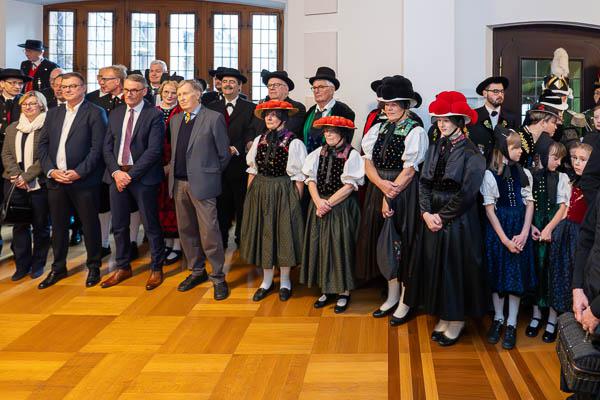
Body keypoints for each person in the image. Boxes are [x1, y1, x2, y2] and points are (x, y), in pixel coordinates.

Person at [404, 91, 487, 346]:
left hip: (458, 218)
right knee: (435, 265)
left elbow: (467, 193)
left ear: (460, 121)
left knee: (454, 268)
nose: (442, 124)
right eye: (439, 120)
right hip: (433, 215)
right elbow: (424, 182)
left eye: (447, 120)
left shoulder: (474, 153)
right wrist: (426, 213)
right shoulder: (436, 145)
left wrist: (441, 215)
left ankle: (457, 318)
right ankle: (444, 314)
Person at [357, 75, 428, 327]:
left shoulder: (416, 131)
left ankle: (406, 301)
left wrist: (391, 193)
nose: (389, 108)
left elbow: (410, 170)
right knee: (383, 242)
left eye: (394, 104)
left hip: (404, 193)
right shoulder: (378, 127)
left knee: (403, 243)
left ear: (406, 105)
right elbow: (367, 162)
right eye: (386, 104)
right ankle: (392, 295)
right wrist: (379, 185)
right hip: (381, 187)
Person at [37, 72, 107, 289]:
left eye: (72, 86)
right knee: (58, 227)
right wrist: (51, 171)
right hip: (56, 180)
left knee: (89, 225)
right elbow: (43, 146)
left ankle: (94, 266)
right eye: (64, 86)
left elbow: (98, 149)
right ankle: (58, 268)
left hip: (83, 181)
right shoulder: (53, 114)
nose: (67, 90)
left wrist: (79, 172)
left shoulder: (96, 113)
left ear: (83, 88)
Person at [100, 74, 166, 290]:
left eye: (135, 90)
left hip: (143, 178)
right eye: (127, 90)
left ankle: (156, 267)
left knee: (150, 224)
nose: (129, 94)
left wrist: (130, 175)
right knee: (119, 225)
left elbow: (154, 151)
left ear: (144, 91)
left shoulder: (154, 115)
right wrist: (117, 173)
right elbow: (107, 147)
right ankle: (122, 267)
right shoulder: (116, 113)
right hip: (117, 176)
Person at [168, 79, 231, 300]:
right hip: (179, 184)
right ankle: (196, 271)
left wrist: (208, 174)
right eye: (179, 94)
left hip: (203, 185)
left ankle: (218, 276)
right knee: (186, 232)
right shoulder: (175, 121)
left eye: (185, 93)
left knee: (209, 233)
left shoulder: (213, 118)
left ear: (198, 94)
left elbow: (223, 155)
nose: (181, 98)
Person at [241, 100, 307, 302]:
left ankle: (285, 281)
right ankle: (266, 281)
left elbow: (298, 177)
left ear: (283, 118)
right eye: (267, 115)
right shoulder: (260, 139)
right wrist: (250, 196)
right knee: (264, 234)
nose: (269, 118)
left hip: (283, 191)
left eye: (274, 114)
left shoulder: (294, 142)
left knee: (283, 234)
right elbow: (252, 170)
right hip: (260, 191)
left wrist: (295, 201)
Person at [300, 115, 364, 313]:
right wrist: (318, 202)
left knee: (340, 247)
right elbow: (310, 179)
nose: (328, 134)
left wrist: (327, 204)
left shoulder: (352, 155)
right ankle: (327, 289)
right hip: (319, 205)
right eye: (326, 130)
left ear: (343, 134)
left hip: (341, 208)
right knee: (321, 246)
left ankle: (343, 292)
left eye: (333, 131)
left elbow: (350, 185)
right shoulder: (318, 152)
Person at [481, 127, 535, 350]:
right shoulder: (490, 174)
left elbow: (529, 203)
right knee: (498, 276)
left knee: (515, 277)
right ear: (503, 148)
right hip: (499, 231)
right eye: (515, 147)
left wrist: (524, 232)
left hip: (518, 228)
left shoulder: (524, 173)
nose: (520, 150)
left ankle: (512, 322)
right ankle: (499, 319)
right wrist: (504, 239)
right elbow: (490, 210)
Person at [206, 67, 259, 249]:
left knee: (243, 205)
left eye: (232, 82)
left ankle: (242, 240)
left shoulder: (251, 108)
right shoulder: (211, 108)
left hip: (241, 165)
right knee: (220, 205)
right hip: (218, 167)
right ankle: (221, 240)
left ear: (240, 86)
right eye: (225, 81)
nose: (228, 85)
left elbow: (252, 132)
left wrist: (237, 148)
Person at [1, 91, 51, 280]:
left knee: (41, 226)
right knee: (20, 226)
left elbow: (46, 156)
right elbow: (6, 154)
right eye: (25, 104)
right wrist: (17, 175)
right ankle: (22, 266)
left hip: (39, 183)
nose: (28, 107)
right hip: (14, 183)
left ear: (42, 106)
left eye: (33, 103)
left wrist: (28, 176)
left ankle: (38, 265)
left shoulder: (47, 127)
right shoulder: (14, 127)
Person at [526, 141, 570, 343]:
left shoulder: (563, 178)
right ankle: (536, 315)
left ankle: (552, 320)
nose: (558, 162)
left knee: (552, 272)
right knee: (536, 271)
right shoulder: (531, 176)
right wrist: (532, 227)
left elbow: (563, 207)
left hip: (553, 229)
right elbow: (529, 204)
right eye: (554, 157)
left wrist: (549, 228)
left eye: (560, 158)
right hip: (535, 226)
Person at [86, 65, 129, 258]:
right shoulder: (93, 100)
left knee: (130, 204)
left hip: (125, 161)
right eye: (99, 78)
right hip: (100, 162)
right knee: (102, 203)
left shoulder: (131, 99)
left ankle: (132, 242)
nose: (100, 82)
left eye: (105, 78)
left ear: (118, 81)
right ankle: (103, 243)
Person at [549, 143, 592, 321]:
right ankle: (557, 319)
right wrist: (552, 229)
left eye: (583, 160)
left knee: (577, 276)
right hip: (566, 232)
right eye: (575, 158)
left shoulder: (593, 190)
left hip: (582, 236)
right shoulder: (570, 181)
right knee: (561, 273)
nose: (577, 163)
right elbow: (566, 209)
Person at [156, 79, 183, 265]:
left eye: (174, 92)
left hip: (175, 164)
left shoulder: (182, 112)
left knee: (176, 206)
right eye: (166, 92)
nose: (170, 96)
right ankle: (165, 243)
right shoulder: (154, 111)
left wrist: (170, 165)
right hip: (156, 165)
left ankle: (177, 246)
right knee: (160, 205)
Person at [303, 67, 355, 154]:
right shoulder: (310, 111)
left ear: (332, 89)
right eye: (314, 88)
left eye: (321, 87)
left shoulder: (345, 112)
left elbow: (345, 143)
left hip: (332, 162)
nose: (316, 91)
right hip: (308, 162)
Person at [470, 76, 520, 162]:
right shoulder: (474, 115)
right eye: (496, 91)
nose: (500, 95)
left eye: (502, 91)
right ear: (485, 93)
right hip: (480, 166)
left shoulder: (511, 118)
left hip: (504, 168)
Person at [258, 70, 306, 138]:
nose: (271, 88)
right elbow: (257, 129)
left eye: (276, 85)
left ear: (286, 89)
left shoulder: (297, 107)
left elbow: (289, 129)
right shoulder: (263, 107)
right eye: (269, 85)